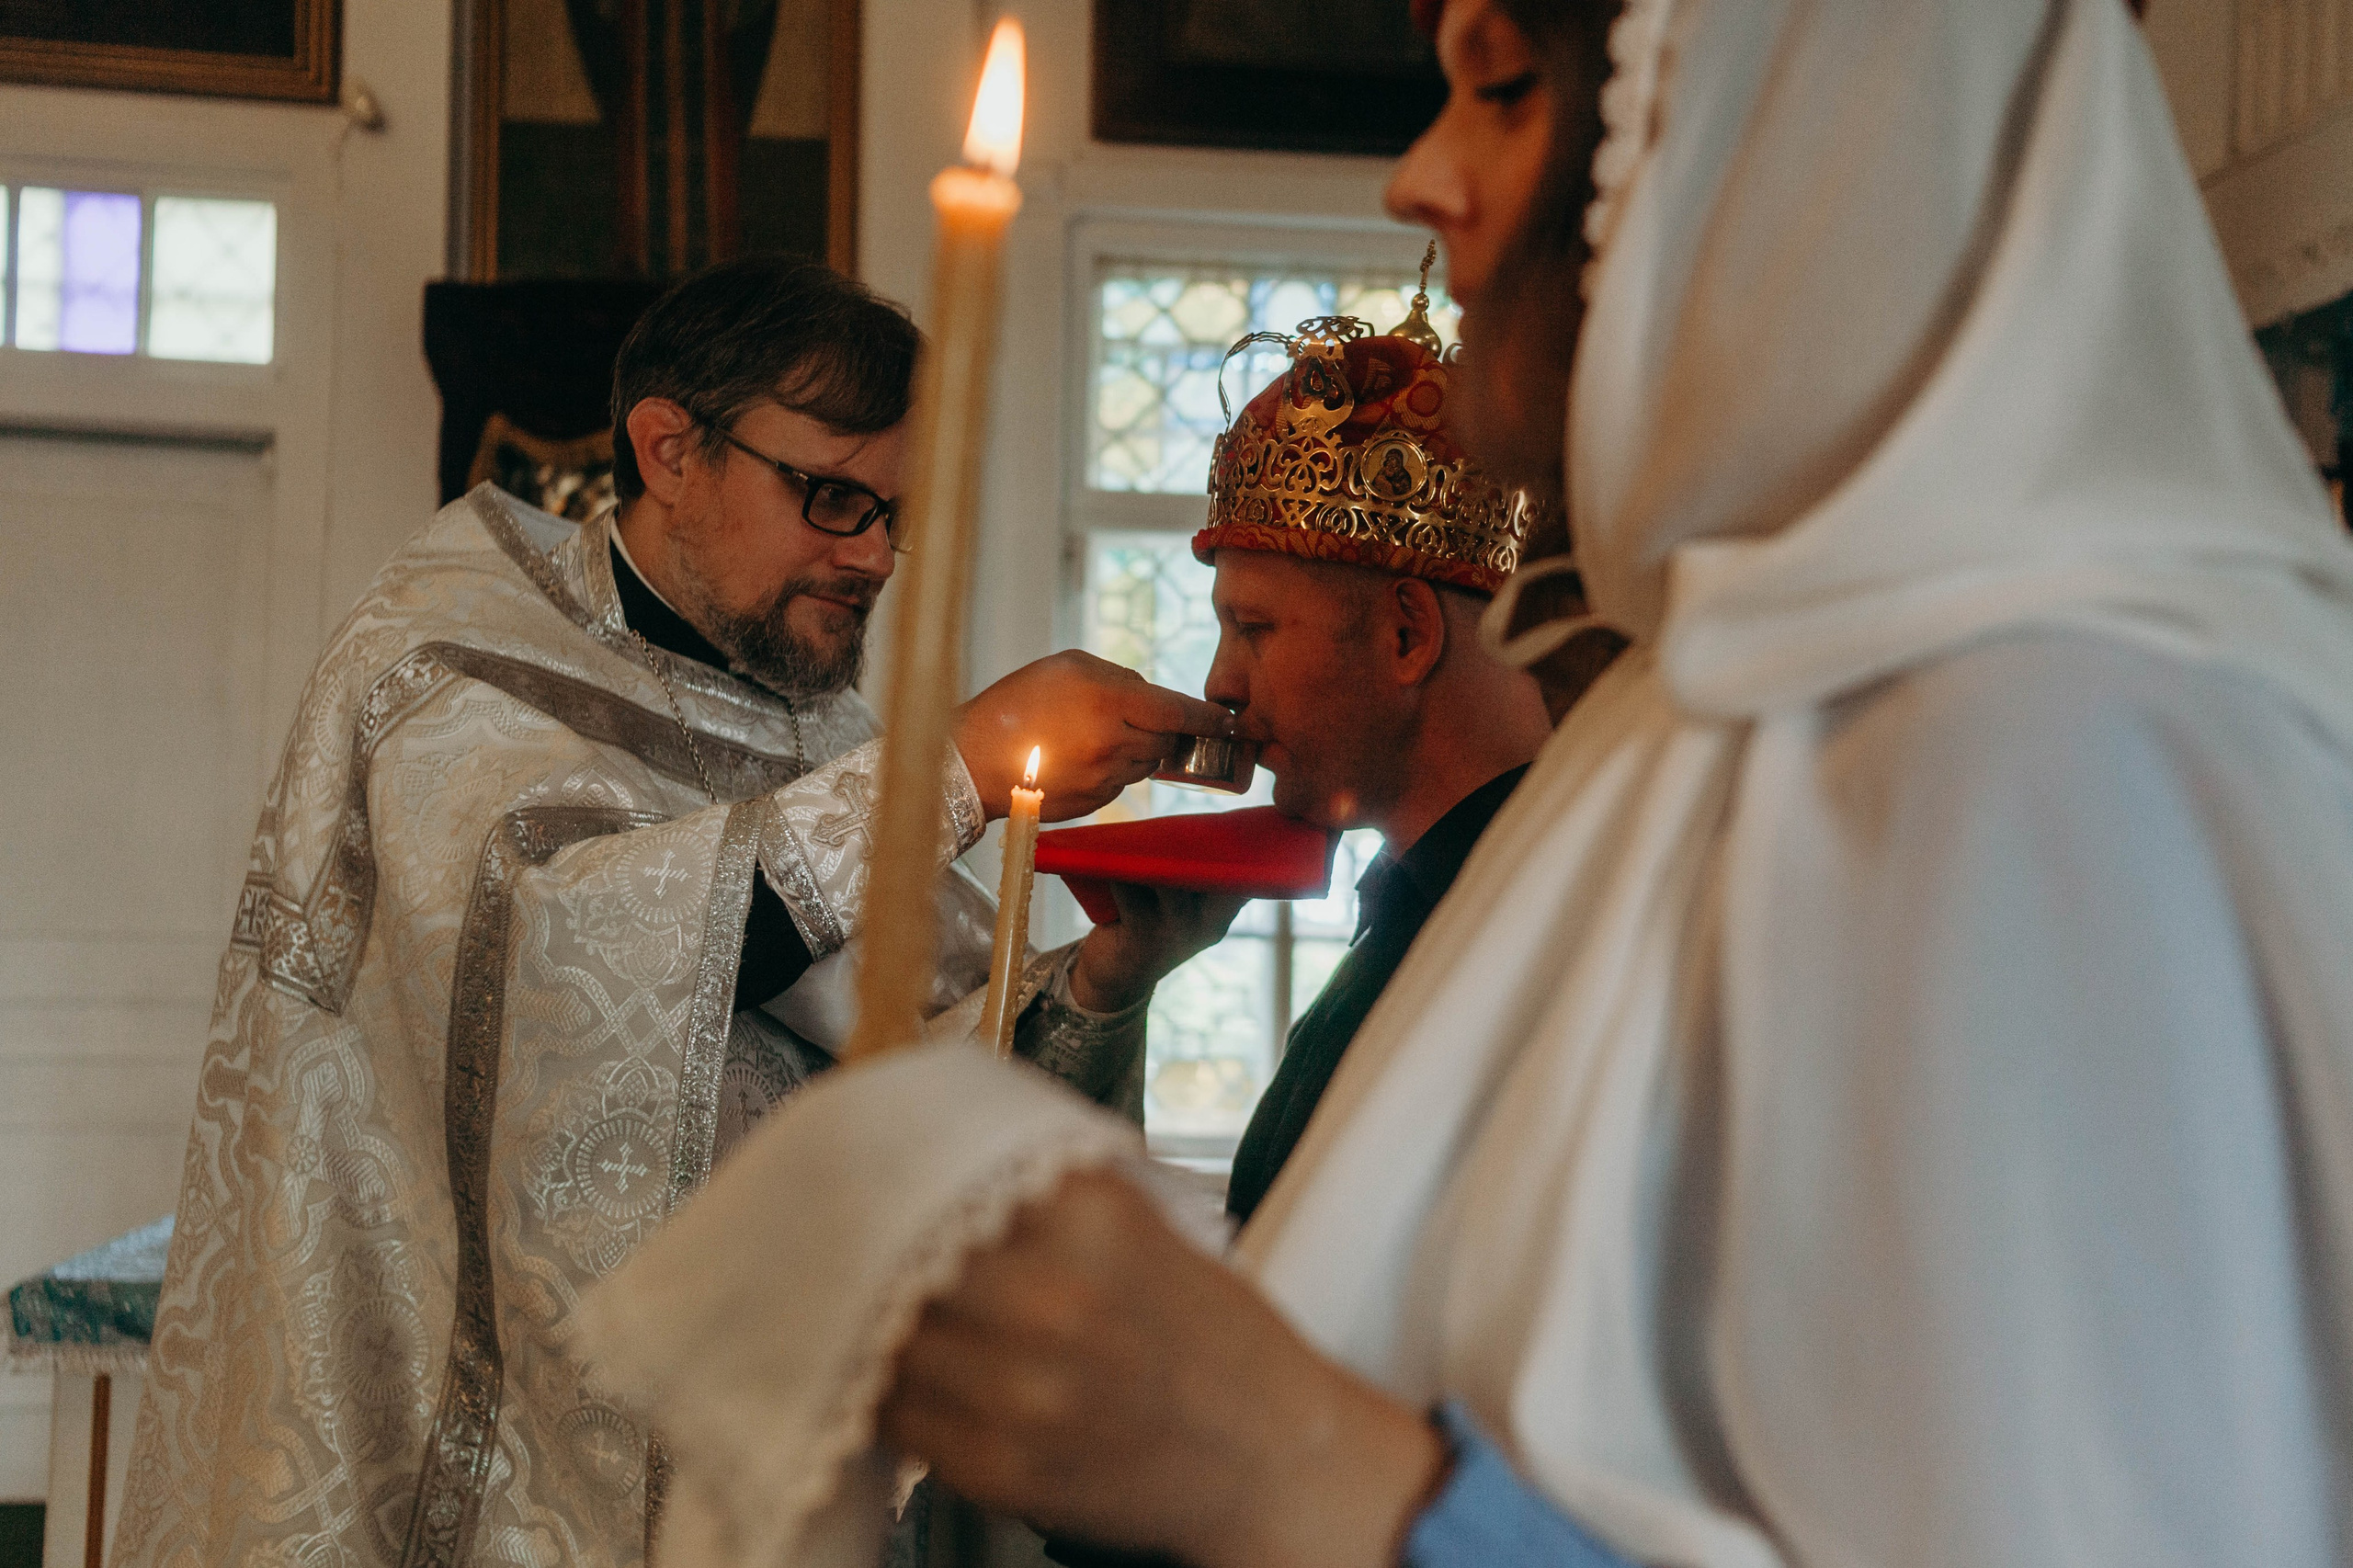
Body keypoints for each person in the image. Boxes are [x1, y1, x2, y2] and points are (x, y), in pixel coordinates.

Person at [878, 0, 2353, 1564]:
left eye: (1504, 89)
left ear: (1781, 147)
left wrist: (1293, 1465)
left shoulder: (2066, 749)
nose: (1417, 177)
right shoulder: (1690, 714)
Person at [113, 257, 1240, 1568]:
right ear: (669, 450)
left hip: (758, 1456)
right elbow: (552, 980)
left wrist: (1105, 975)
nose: (874, 556)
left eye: (897, 514)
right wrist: (952, 769)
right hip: (487, 1458)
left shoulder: (814, 723)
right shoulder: (446, 662)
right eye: (833, 497)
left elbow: (917, 1045)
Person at [1181, 298, 1558, 1226]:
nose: (1219, 683)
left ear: (1405, 635)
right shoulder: (1426, 899)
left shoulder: (1548, 929)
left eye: (1253, 627)